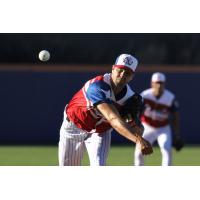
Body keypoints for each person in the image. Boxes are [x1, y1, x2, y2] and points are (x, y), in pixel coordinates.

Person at [58, 54, 153, 166]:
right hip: (74, 126)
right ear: (113, 68)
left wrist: (133, 123)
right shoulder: (97, 86)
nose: (122, 75)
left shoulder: (130, 97)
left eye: (127, 73)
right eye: (120, 70)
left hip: (101, 131)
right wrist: (138, 140)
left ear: (132, 76)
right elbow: (112, 118)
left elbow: (137, 130)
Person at [134, 72, 183, 166]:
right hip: (147, 126)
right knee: (139, 151)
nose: (159, 85)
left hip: (163, 128)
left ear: (164, 84)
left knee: (166, 150)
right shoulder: (145, 95)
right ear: (152, 83)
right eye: (157, 82)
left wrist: (177, 134)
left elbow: (175, 116)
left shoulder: (170, 97)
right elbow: (137, 112)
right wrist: (136, 127)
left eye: (161, 83)